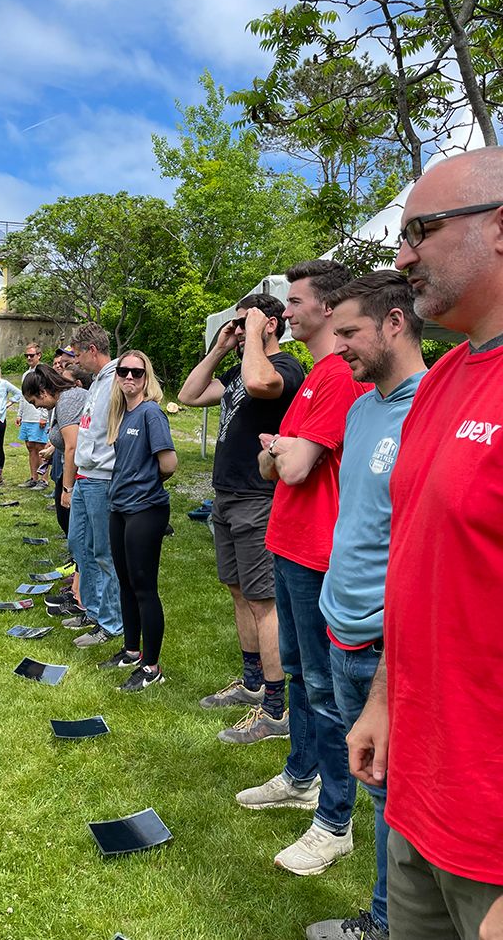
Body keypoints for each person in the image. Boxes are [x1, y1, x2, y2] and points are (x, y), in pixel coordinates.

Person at [347, 149, 503, 940]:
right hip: (417, 796)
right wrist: (381, 700)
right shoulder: (442, 381)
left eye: (423, 230)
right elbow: (418, 568)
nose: (402, 255)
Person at [236, 259, 369, 877]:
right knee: (295, 672)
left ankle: (333, 819)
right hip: (288, 542)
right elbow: (275, 464)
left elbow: (288, 468)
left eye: (294, 301)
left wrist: (286, 454)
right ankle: (298, 775)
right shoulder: (315, 377)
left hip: (317, 552)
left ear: (326, 307)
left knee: (324, 687)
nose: (283, 311)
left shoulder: (339, 375)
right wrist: (285, 453)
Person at [304, 272, 426, 940]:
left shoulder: (426, 407)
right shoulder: (358, 408)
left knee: (396, 795)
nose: (338, 344)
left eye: (349, 331)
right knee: (378, 789)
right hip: (339, 624)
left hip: (387, 643)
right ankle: (382, 913)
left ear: (395, 323)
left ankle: (386, 922)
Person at [178, 294, 305, 742]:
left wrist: (253, 334)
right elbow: (189, 394)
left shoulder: (285, 368)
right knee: (237, 591)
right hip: (226, 496)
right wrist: (219, 348)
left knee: (262, 601)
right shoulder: (237, 369)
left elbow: (258, 386)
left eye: (244, 322)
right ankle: (252, 684)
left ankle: (275, 709)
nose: (236, 330)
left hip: (258, 497)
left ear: (269, 323)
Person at [98, 350, 177, 691]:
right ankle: (131, 651)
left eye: (137, 373)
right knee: (125, 582)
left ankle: (151, 667)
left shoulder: (151, 414)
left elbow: (169, 463)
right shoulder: (122, 414)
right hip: (120, 509)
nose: (129, 377)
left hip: (145, 510)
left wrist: (144, 485)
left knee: (144, 588)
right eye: (124, 372)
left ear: (147, 378)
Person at [65, 322, 123, 648]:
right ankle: (91, 609)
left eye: (77, 354)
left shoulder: (117, 379)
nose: (75, 361)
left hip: (103, 479)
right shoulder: (97, 382)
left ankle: (111, 623)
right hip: (86, 477)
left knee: (104, 553)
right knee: (79, 545)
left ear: (91, 350)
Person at [22, 364, 87, 539]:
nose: (36, 407)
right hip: (76, 469)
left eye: (34, 402)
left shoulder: (67, 401)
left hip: (84, 473)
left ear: (43, 392)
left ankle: (79, 561)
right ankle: (76, 556)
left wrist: (68, 489)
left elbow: (72, 446)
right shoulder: (61, 401)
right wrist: (53, 449)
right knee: (65, 515)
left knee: (75, 519)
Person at [16, 343, 50, 489]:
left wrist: (44, 416)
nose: (29, 358)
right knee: (30, 446)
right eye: (27, 356)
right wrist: (20, 414)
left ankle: (44, 479)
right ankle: (33, 477)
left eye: (32, 355)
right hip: (28, 417)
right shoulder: (25, 374)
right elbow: (23, 397)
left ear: (39, 355)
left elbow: (45, 395)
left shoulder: (42, 373)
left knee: (41, 448)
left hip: (39, 415)